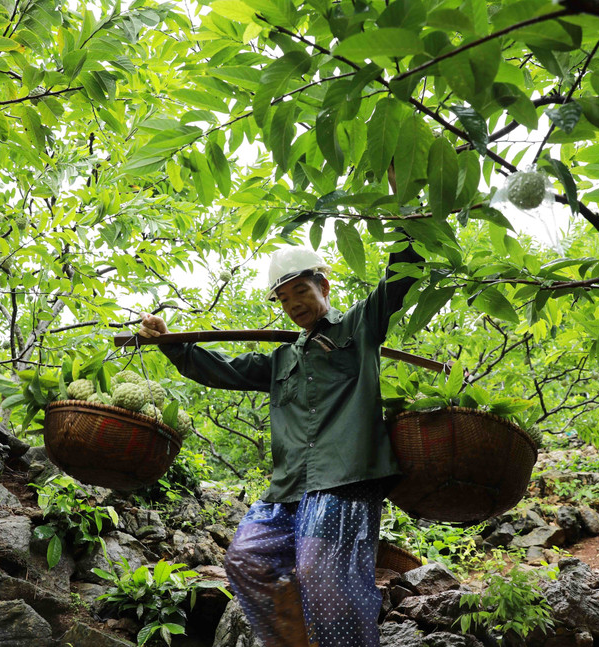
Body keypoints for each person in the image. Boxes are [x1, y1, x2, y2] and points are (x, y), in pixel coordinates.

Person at [139, 237, 422, 647]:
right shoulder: (283, 360)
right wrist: (170, 344)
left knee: (324, 579)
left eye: (301, 291)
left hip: (345, 481)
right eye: (284, 298)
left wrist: (406, 223)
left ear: (323, 287)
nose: (294, 304)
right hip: (289, 489)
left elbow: (397, 282)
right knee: (246, 559)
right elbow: (221, 370)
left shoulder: (359, 327)